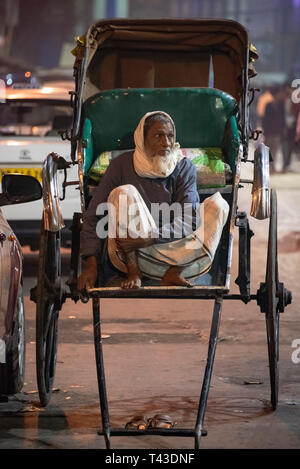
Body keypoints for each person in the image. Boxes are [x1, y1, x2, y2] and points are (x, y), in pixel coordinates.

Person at [77, 111, 229, 291]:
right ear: (142, 139)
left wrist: (149, 237)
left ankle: (174, 272)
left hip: (183, 259)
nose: (166, 143)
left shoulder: (183, 166)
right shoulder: (121, 165)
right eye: (158, 136)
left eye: (170, 136)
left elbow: (189, 220)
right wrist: (90, 266)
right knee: (124, 192)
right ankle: (134, 273)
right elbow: (94, 215)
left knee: (219, 205)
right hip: (131, 257)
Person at [262, 86, 285, 173]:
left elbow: (283, 119)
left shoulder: (281, 105)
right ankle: (269, 167)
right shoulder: (269, 105)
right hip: (269, 132)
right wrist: (265, 130)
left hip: (277, 131)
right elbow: (265, 119)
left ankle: (273, 167)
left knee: (275, 150)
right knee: (269, 150)